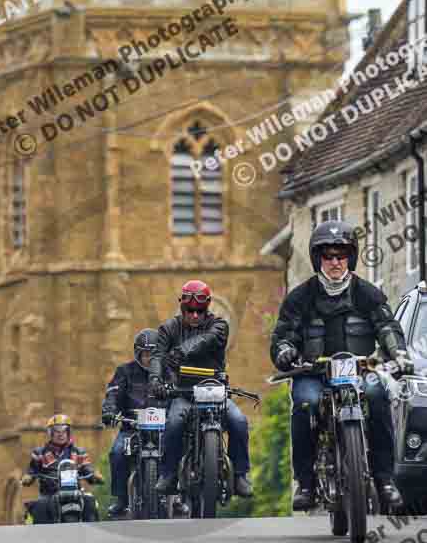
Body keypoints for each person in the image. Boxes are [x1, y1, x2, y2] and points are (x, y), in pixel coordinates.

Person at [270, 220, 410, 511]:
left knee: (377, 396)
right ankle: (305, 482)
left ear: (351, 256)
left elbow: (387, 327)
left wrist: (399, 354)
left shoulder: (367, 293)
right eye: (328, 256)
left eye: (341, 255)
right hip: (314, 373)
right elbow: (285, 334)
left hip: (361, 371)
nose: (335, 261)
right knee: (305, 403)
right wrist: (284, 351)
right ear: (317, 258)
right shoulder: (300, 297)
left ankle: (385, 480)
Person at [150, 280, 252, 498]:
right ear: (182, 307)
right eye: (190, 311)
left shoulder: (220, 325)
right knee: (174, 422)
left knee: (239, 421)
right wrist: (156, 380)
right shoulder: (168, 329)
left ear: (207, 308)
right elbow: (157, 356)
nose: (195, 315)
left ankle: (241, 475)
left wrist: (183, 350)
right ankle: (168, 475)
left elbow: (210, 338)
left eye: (200, 311)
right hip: (184, 393)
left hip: (215, 391)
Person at [101, 328, 159, 517]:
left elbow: (177, 394)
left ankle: (178, 494)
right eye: (146, 354)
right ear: (138, 353)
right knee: (117, 452)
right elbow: (113, 393)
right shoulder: (124, 372)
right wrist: (109, 411)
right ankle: (121, 499)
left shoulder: (168, 373)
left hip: (162, 429)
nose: (149, 358)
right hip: (131, 428)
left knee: (178, 446)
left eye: (154, 354)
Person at [21, 414, 101, 523]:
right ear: (50, 433)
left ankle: (93, 535)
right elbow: (32, 470)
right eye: (57, 431)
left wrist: (95, 475)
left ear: (69, 433)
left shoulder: (79, 452)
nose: (61, 434)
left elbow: (87, 469)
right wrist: (28, 477)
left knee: (90, 502)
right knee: (38, 509)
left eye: (64, 431)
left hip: (75, 493)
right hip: (48, 494)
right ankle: (40, 538)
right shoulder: (39, 453)